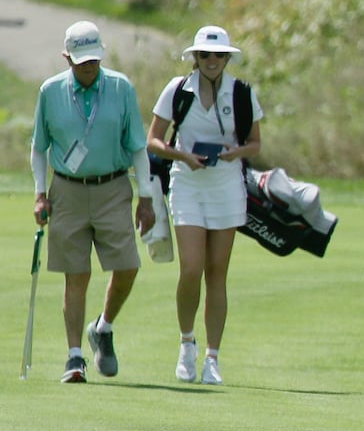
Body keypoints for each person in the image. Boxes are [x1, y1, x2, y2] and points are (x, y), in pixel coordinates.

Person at [30, 21, 157, 383]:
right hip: (66, 190)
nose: (88, 67)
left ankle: (102, 327)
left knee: (128, 266)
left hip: (112, 186)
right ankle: (74, 358)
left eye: (94, 60)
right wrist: (40, 193)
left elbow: (137, 146)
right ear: (67, 57)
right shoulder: (50, 91)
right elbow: (39, 148)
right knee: (77, 273)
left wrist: (145, 198)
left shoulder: (120, 87)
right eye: (81, 61)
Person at [147, 26, 264, 386]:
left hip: (226, 186)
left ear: (227, 58)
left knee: (217, 272)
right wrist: (182, 155)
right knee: (191, 268)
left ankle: (212, 358)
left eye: (218, 56)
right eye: (205, 55)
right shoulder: (177, 90)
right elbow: (152, 140)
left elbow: (255, 144)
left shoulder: (242, 93)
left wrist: (234, 153)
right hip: (187, 183)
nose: (212, 61)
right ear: (194, 58)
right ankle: (187, 345)